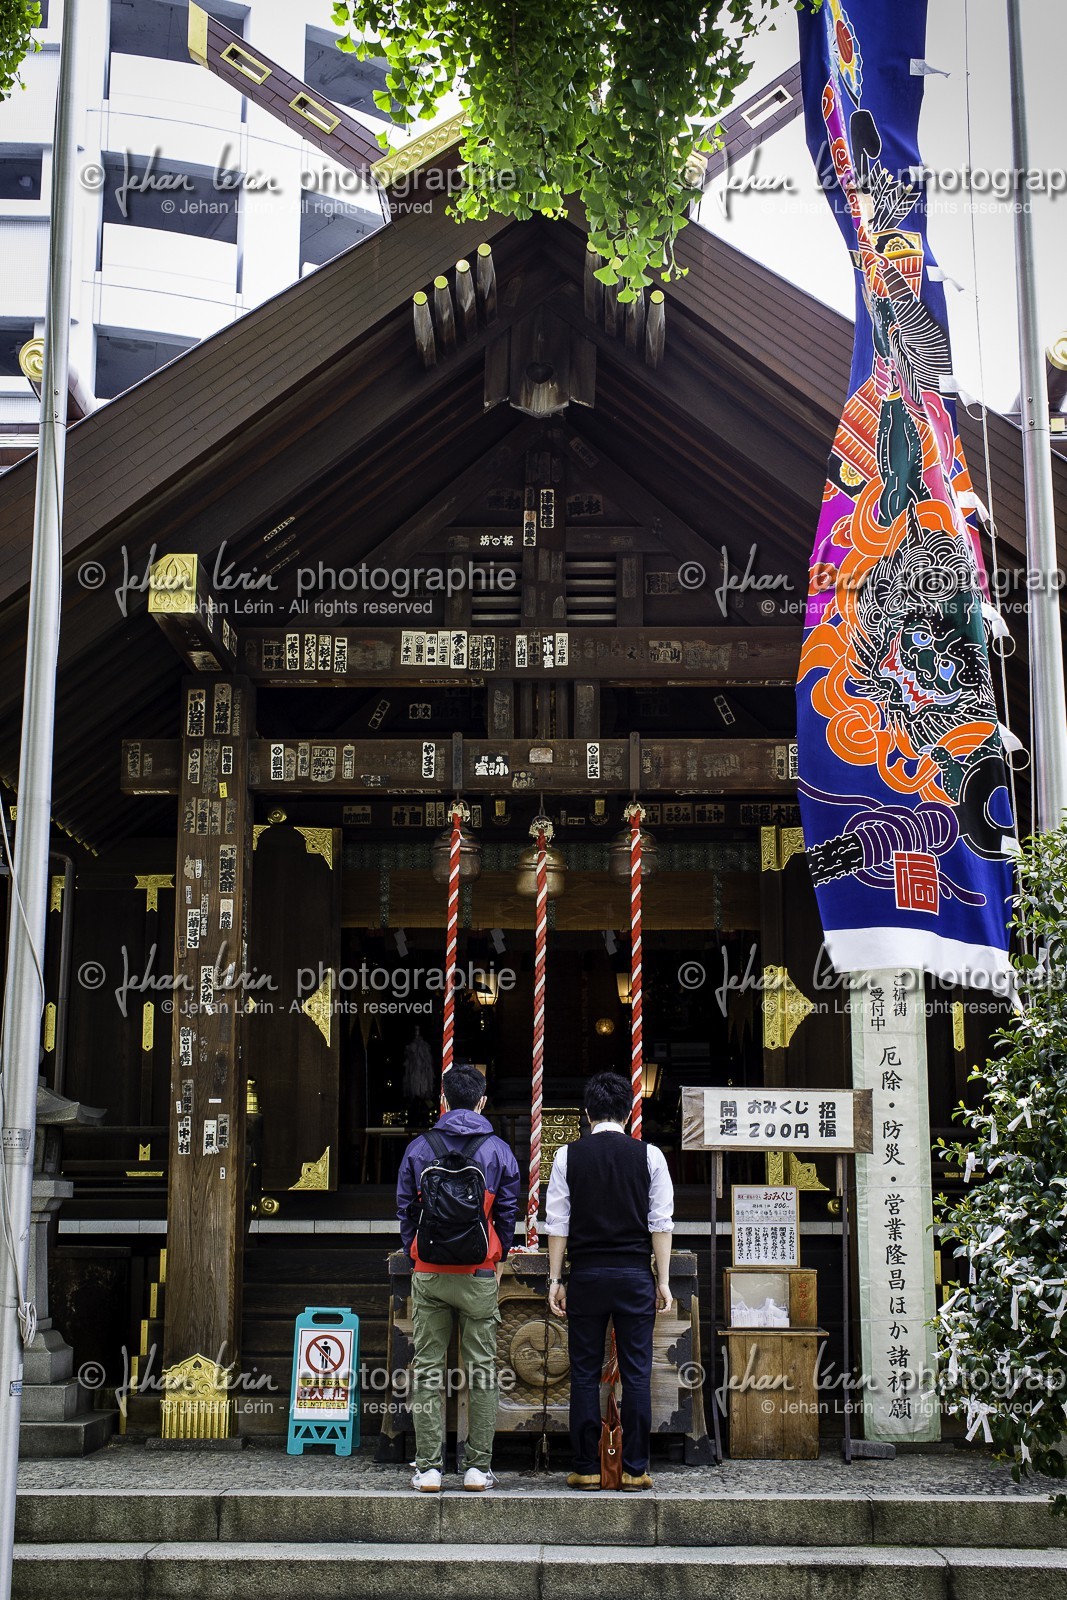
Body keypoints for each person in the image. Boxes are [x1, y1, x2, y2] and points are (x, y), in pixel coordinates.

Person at [546, 1070, 674, 1491]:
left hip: (586, 1277)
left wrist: (555, 1278)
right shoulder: (650, 1156)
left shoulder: (567, 1156)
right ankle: (635, 1469)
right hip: (635, 1276)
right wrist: (663, 1281)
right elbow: (661, 1224)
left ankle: (586, 1467)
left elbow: (557, 1224)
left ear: (587, 1113)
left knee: (584, 1373)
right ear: (629, 1112)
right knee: (637, 1374)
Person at [396, 1064, 520, 1492]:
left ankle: (429, 1468)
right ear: (482, 1101)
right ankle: (477, 1468)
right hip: (478, 1272)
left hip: (429, 1272)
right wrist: (498, 1258)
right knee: (482, 1369)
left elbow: (405, 1210)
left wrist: (415, 1253)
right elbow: (508, 1212)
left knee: (428, 1369)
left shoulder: (418, 1148)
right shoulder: (498, 1151)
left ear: (444, 1100)